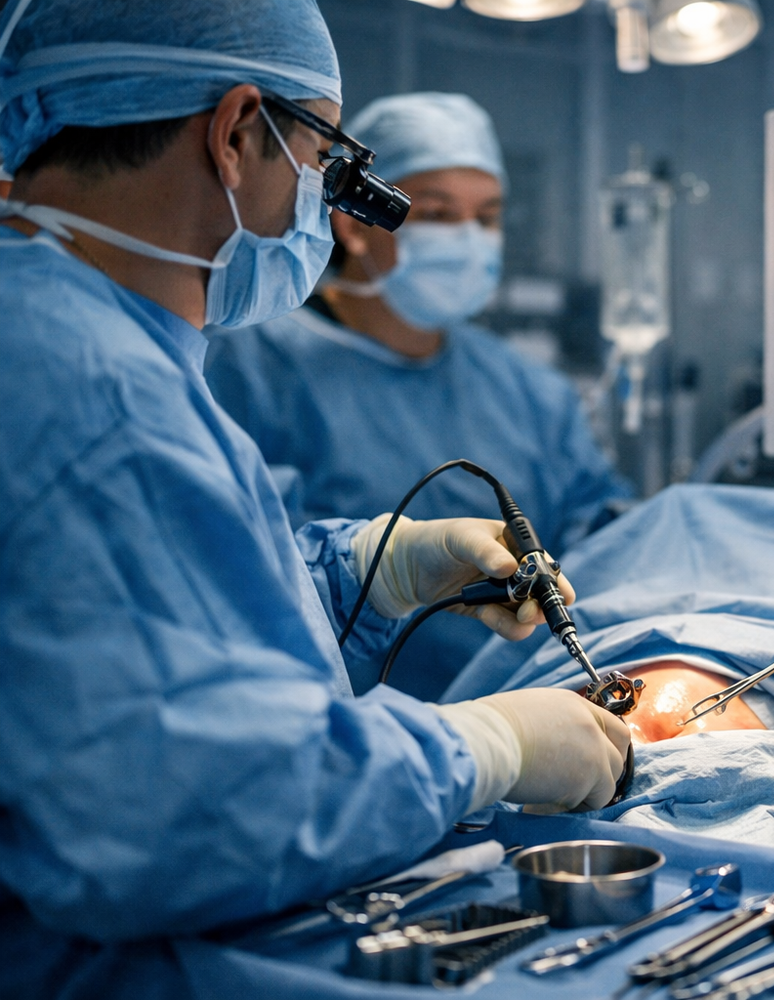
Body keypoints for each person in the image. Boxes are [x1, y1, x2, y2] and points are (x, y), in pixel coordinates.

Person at [0, 1, 626, 993]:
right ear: (236, 132)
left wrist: (368, 571)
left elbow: (161, 619)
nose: (325, 201)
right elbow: (198, 808)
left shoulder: (72, 334)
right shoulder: (93, 392)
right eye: (324, 158)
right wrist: (483, 747)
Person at [204, 91, 631, 699]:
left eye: (486, 217)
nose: (468, 238)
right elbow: (236, 572)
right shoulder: (250, 369)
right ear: (355, 220)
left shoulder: (530, 392)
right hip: (336, 722)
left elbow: (605, 537)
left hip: (532, 707)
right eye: (436, 214)